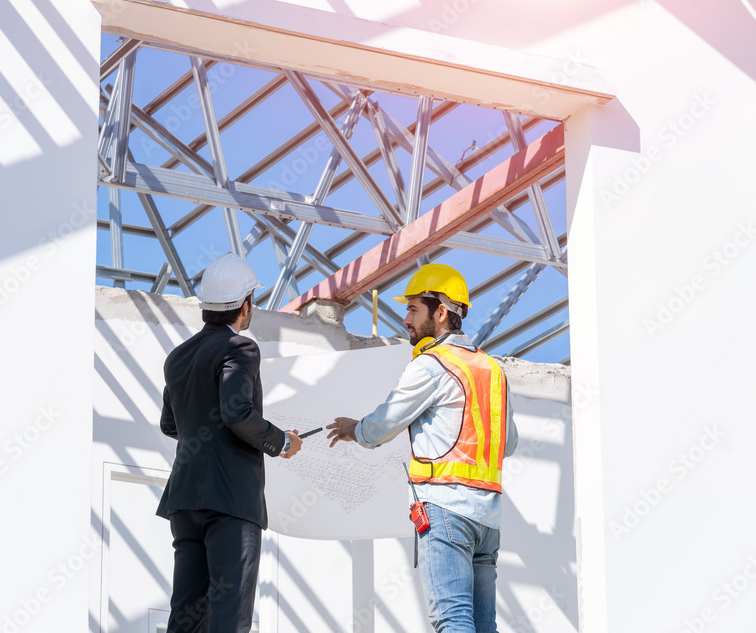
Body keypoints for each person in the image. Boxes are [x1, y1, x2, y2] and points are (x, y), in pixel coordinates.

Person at [326, 263, 518, 633]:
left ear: (441, 312)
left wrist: (356, 430)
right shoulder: (493, 370)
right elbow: (507, 444)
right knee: (483, 624)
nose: (406, 319)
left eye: (414, 309)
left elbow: (384, 424)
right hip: (487, 519)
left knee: (453, 620)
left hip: (445, 511)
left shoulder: (432, 365)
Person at [156, 253, 303, 633]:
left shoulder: (177, 358)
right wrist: (282, 441)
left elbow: (170, 425)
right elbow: (236, 413)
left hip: (185, 502)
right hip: (230, 500)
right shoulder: (240, 347)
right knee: (229, 616)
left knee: (186, 615)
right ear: (245, 304)